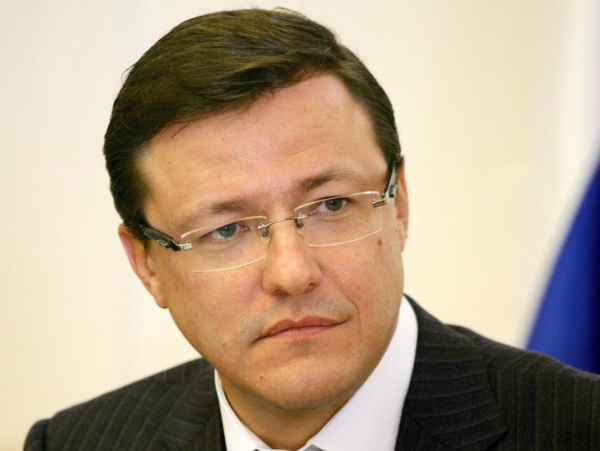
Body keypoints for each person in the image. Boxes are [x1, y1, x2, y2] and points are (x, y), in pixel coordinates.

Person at [25, 8, 599, 451]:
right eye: (226, 230)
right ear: (147, 265)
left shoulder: (578, 428)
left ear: (399, 206)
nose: (292, 272)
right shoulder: (75, 443)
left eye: (330, 205)